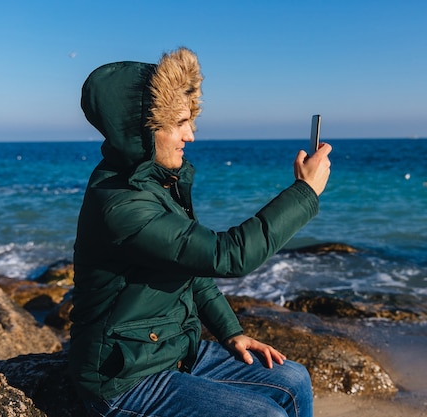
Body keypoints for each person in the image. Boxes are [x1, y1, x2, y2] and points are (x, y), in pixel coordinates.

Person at [69, 47, 332, 417]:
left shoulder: (155, 185)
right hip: (122, 378)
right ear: (141, 127)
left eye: (190, 121)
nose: (190, 135)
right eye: (179, 122)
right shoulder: (121, 205)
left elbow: (191, 267)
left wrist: (231, 331)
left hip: (170, 350)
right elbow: (227, 256)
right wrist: (304, 193)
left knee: (293, 380)